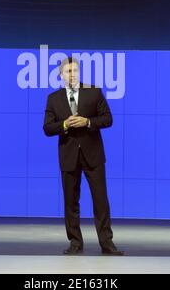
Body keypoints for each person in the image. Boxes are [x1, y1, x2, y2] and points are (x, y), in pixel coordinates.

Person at [43, 56, 124, 255]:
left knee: (100, 200)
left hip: (93, 156)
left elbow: (107, 118)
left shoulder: (94, 92)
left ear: (79, 73)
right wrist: (64, 124)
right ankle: (75, 243)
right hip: (68, 156)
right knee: (71, 202)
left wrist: (87, 122)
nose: (72, 75)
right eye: (68, 71)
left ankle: (107, 243)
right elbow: (47, 128)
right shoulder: (54, 98)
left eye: (75, 71)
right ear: (61, 75)